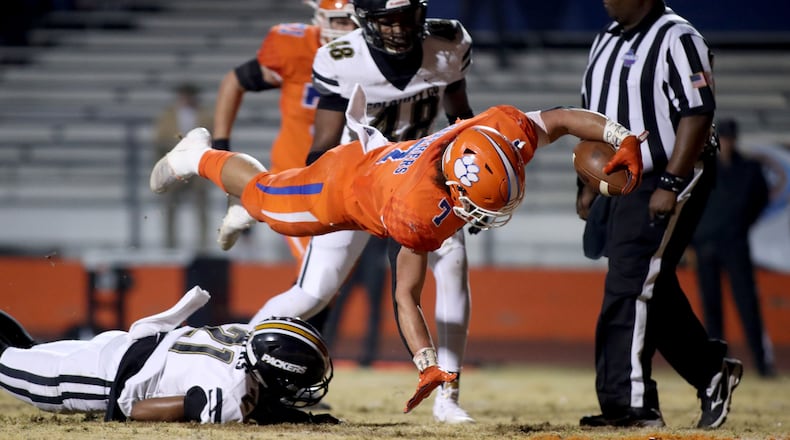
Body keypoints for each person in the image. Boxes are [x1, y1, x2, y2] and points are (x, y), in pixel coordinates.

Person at [149, 90, 645, 416]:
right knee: (262, 197)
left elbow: (559, 120)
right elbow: (405, 295)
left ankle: (247, 206)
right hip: (343, 188)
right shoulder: (420, 212)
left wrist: (622, 139)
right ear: (457, 189)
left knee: (274, 211)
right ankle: (196, 154)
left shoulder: (499, 135)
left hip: (385, 165)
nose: (479, 214)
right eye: (476, 205)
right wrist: (426, 362)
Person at [217, 0, 479, 423]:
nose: (397, 29)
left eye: (404, 17)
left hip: (424, 184)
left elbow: (461, 117)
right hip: (358, 184)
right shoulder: (342, 58)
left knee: (452, 269)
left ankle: (449, 395)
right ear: (366, 21)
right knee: (313, 291)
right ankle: (230, 362)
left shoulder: (448, 44)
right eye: (386, 20)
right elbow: (323, 143)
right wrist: (319, 196)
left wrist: (469, 179)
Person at [576, 0, 743, 429]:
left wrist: (671, 181)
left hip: (666, 172)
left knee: (630, 283)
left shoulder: (677, 36)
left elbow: (698, 112)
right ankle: (709, 371)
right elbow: (592, 116)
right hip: (623, 180)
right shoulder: (605, 39)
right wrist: (587, 185)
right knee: (648, 284)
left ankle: (630, 406)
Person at [0, 287, 337, 425]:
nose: (300, 388)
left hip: (124, 345)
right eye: (296, 379)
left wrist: (297, 418)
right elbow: (138, 408)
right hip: (101, 378)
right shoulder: (233, 395)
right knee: (5, 360)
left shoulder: (246, 335)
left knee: (25, 349)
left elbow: (256, 394)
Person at [211, 0, 357, 257]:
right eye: (341, 21)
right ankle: (249, 198)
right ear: (322, 20)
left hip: (349, 176)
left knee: (331, 277)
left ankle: (250, 207)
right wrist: (220, 144)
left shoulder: (374, 56)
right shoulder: (296, 47)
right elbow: (234, 81)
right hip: (300, 173)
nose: (348, 29)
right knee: (319, 280)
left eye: (355, 22)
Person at [691, 118, 776, 378]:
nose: (726, 143)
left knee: (748, 304)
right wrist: (693, 242)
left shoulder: (749, 168)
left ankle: (762, 364)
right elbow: (692, 205)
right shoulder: (705, 167)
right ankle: (717, 365)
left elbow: (761, 200)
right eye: (723, 139)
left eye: (729, 139)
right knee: (711, 306)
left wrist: (741, 225)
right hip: (706, 244)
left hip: (734, 244)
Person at [153, 82, 214, 250]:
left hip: (198, 167)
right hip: (175, 166)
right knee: (170, 207)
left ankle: (203, 246)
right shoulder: (168, 116)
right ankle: (170, 245)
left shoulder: (205, 115)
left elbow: (214, 140)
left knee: (201, 207)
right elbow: (159, 141)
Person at [321, 236, 389, 367]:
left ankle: (369, 355)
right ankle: (326, 349)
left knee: (374, 309)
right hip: (351, 256)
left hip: (373, 254)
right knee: (336, 305)